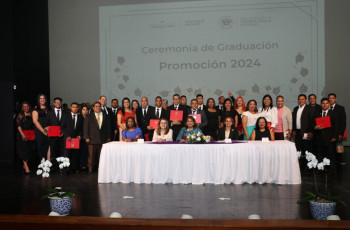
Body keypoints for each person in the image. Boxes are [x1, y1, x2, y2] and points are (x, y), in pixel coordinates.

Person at [83, 102, 111, 173]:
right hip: (92, 139)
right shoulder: (89, 116)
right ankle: (90, 168)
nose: (98, 107)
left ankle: (100, 168)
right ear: (93, 108)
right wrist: (86, 137)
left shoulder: (105, 115)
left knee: (101, 155)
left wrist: (108, 137)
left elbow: (108, 127)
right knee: (91, 155)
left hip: (103, 139)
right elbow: (85, 128)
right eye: (96, 106)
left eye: (99, 106)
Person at [313, 98, 338, 173]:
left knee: (330, 154)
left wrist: (335, 136)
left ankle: (331, 169)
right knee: (320, 154)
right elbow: (312, 124)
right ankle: (320, 169)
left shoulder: (333, 114)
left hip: (330, 138)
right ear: (320, 104)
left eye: (326, 103)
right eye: (323, 103)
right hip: (319, 138)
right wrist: (315, 127)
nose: (325, 105)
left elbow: (336, 126)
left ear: (329, 104)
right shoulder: (317, 113)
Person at [292, 94, 315, 166]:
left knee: (307, 151)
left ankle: (307, 168)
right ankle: (300, 167)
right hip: (298, 133)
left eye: (302, 99)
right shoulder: (295, 109)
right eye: (299, 99)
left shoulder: (310, 108)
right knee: (299, 150)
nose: (301, 101)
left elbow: (313, 121)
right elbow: (294, 121)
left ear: (306, 100)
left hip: (306, 133)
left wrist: (311, 132)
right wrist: (294, 130)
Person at [61, 102, 84, 173]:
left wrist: (80, 135)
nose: (75, 108)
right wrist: (67, 135)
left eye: (76, 107)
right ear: (71, 108)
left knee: (75, 154)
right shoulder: (66, 116)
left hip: (76, 139)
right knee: (67, 154)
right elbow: (63, 127)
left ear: (78, 108)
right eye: (73, 107)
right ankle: (66, 169)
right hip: (68, 138)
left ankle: (74, 168)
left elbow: (82, 128)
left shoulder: (81, 117)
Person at [328, 93, 347, 172]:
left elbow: (343, 122)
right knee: (330, 151)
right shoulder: (326, 107)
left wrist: (340, 134)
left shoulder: (340, 108)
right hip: (329, 134)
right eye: (329, 98)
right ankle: (330, 166)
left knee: (338, 151)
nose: (331, 99)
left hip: (338, 133)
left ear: (335, 99)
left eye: (332, 98)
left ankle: (339, 166)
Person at [16, 102, 35, 174]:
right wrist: (23, 135)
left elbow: (34, 125)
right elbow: (18, 126)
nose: (26, 108)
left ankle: (25, 164)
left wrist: (34, 134)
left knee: (28, 151)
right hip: (22, 135)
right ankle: (26, 166)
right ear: (22, 108)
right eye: (24, 107)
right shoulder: (20, 115)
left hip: (30, 135)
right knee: (23, 151)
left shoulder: (32, 114)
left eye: (27, 106)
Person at [46, 97, 66, 161]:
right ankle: (53, 168)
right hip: (52, 137)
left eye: (59, 102)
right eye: (56, 102)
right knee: (53, 154)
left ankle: (62, 169)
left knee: (62, 153)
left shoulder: (65, 113)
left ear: (61, 103)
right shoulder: (49, 113)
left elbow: (67, 125)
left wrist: (63, 132)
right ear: (54, 103)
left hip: (62, 137)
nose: (58, 103)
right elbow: (47, 124)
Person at [32, 94, 50, 160]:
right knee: (41, 149)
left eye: (43, 98)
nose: (42, 100)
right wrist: (43, 131)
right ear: (38, 100)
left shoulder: (49, 108)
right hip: (40, 132)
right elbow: (35, 121)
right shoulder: (36, 109)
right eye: (40, 98)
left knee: (48, 148)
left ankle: (48, 165)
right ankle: (42, 165)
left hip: (49, 131)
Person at [79, 104, 89, 171]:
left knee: (87, 152)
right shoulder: (79, 118)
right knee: (81, 152)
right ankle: (82, 164)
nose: (85, 111)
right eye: (84, 109)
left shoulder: (89, 118)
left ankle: (86, 164)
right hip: (81, 137)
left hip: (88, 137)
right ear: (81, 110)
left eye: (86, 110)